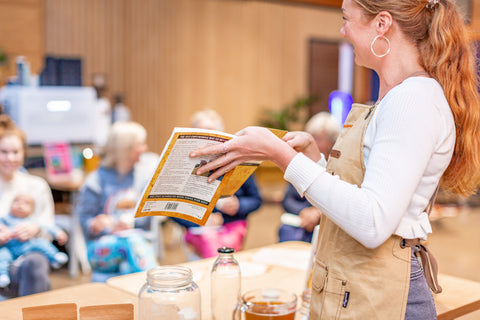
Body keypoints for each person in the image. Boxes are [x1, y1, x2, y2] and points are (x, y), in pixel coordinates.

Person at [189, 0, 480, 318]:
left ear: (382, 24)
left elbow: (372, 221)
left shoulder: (412, 100)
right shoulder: (395, 98)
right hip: (357, 286)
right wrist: (314, 162)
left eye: (346, 19)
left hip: (385, 294)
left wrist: (282, 156)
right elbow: (364, 193)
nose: (342, 30)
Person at [173, 109, 262, 258]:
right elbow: (171, 207)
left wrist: (239, 205)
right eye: (202, 134)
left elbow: (256, 200)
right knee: (211, 242)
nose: (207, 140)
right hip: (198, 228)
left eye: (212, 134)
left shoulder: (237, 163)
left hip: (232, 225)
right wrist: (199, 222)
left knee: (221, 247)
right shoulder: (183, 165)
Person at [75, 121, 158, 281]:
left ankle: (143, 294)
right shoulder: (95, 182)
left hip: (136, 243)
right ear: (125, 149)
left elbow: (148, 218)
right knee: (132, 243)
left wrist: (129, 223)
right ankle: (155, 286)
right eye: (140, 144)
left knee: (131, 253)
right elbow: (85, 221)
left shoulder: (143, 178)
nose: (145, 149)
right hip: (101, 249)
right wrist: (100, 225)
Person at [0, 114, 57, 298]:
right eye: (4, 152)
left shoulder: (37, 186)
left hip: (29, 255)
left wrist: (35, 228)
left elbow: (49, 229)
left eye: (15, 152)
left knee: (36, 263)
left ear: (23, 153)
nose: (10, 158)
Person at [279, 112, 339, 243]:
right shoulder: (301, 163)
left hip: (326, 223)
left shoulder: (339, 167)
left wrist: (318, 213)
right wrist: (304, 212)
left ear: (331, 141)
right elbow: (287, 200)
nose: (313, 144)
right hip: (299, 221)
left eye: (318, 139)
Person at [0, 194, 68, 288]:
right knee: (2, 256)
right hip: (9, 247)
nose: (20, 205)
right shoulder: (4, 219)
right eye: (16, 201)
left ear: (32, 210)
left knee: (43, 244)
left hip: (28, 245)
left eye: (26, 203)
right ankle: (3, 275)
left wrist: (58, 233)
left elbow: (47, 226)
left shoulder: (32, 220)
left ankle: (54, 257)